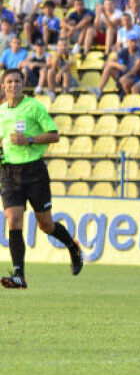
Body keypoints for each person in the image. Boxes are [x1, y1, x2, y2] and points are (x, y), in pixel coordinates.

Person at [0, 70, 83, 288]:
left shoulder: (34, 107)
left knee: (45, 225)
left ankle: (73, 247)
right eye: (9, 82)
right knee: (13, 220)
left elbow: (54, 135)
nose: (13, 85)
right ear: (3, 86)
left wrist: (28, 140)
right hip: (9, 173)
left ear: (23, 84)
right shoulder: (1, 112)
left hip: (34, 172)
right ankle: (19, 275)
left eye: (17, 81)